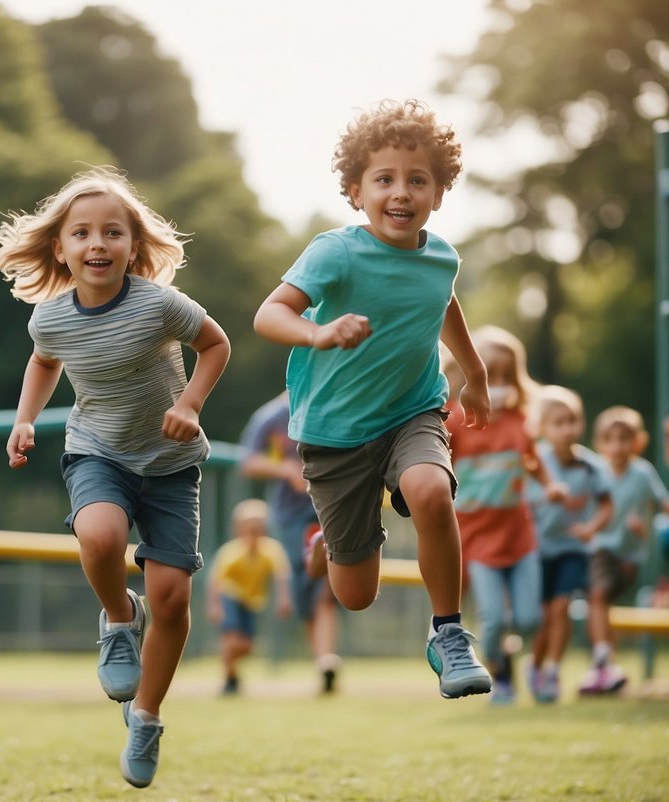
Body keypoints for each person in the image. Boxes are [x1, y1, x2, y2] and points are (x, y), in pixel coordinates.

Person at [0, 167, 230, 788]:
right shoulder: (51, 318)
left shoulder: (159, 304)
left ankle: (145, 718)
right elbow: (43, 362)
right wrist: (24, 419)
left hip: (172, 465)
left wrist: (190, 405)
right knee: (98, 537)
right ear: (60, 248)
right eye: (83, 233)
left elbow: (217, 345)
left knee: (173, 599)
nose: (98, 244)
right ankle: (121, 619)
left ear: (132, 244)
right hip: (99, 452)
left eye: (112, 232)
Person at [253, 98, 493, 700]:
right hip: (335, 435)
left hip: (413, 411)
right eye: (383, 179)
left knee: (431, 491)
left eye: (418, 180)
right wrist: (319, 332)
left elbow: (444, 301)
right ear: (356, 190)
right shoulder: (337, 251)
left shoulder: (441, 257)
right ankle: (324, 547)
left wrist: (475, 371)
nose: (401, 192)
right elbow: (268, 314)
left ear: (438, 193)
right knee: (355, 594)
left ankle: (448, 633)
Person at [445, 327, 563, 705]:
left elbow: (531, 459)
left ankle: (522, 665)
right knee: (493, 618)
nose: (496, 384)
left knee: (529, 618)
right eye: (487, 374)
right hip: (477, 537)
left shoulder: (519, 420)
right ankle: (501, 674)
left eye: (504, 377)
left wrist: (549, 485)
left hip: (519, 534)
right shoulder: (456, 420)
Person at [238, 391, 342, 694]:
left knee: (326, 587)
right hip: (290, 516)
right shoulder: (271, 416)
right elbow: (249, 460)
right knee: (306, 593)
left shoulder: (334, 403)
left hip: (330, 507)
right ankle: (323, 660)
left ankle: (326, 660)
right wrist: (285, 469)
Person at [526, 385, 613, 703]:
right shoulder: (535, 462)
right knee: (544, 617)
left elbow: (606, 504)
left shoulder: (591, 466)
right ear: (542, 428)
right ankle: (534, 665)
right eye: (558, 422)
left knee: (561, 608)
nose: (567, 429)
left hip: (573, 550)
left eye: (573, 421)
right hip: (537, 550)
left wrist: (591, 527)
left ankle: (551, 672)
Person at [586, 405, 669, 695]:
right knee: (597, 595)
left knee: (604, 603)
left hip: (630, 556)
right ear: (600, 444)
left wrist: (649, 528)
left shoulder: (643, 473)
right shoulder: (596, 470)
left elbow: (667, 504)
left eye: (625, 439)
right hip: (601, 547)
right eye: (610, 439)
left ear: (638, 442)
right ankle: (602, 655)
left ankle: (608, 667)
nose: (617, 446)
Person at [206, 499, 292, 695]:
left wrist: (284, 599)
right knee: (232, 638)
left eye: (258, 527)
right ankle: (229, 678)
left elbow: (281, 575)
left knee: (247, 646)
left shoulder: (271, 550)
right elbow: (216, 581)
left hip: (251, 602)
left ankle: (228, 662)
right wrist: (214, 606)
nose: (254, 531)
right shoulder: (232, 552)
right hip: (231, 597)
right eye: (249, 527)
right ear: (239, 528)